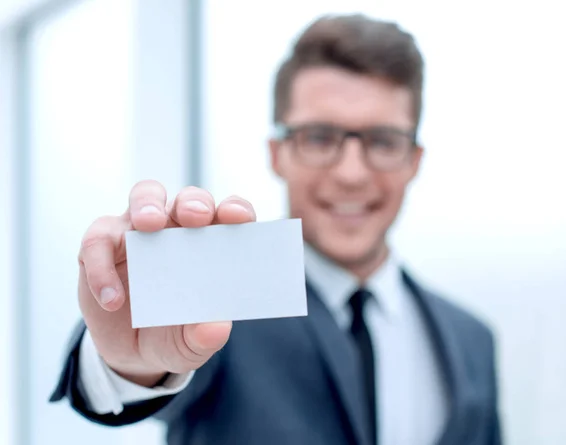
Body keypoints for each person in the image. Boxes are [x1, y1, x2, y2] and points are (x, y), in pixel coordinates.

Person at [50, 13, 501, 445]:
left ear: (414, 160)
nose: (351, 173)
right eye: (320, 138)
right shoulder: (217, 302)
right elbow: (142, 364)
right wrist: (126, 361)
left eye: (383, 141)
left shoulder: (472, 340)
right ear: (277, 154)